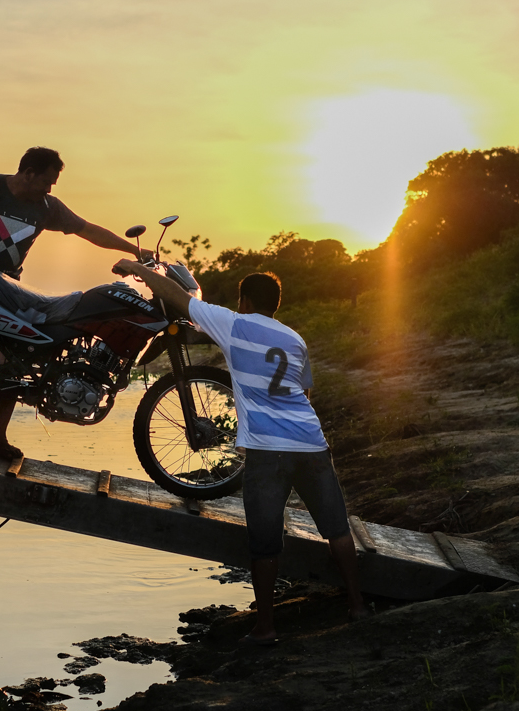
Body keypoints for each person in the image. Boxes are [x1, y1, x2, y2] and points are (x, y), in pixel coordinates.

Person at [111, 262, 367, 643]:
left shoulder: (233, 324)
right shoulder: (296, 339)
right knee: (337, 529)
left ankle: (266, 628)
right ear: (276, 304)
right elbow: (305, 393)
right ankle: (359, 606)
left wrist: (134, 267)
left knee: (264, 543)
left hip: (267, 451)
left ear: (244, 301)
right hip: (312, 442)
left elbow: (175, 295)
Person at [0, 146, 142, 460]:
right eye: (46, 181)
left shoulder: (47, 207)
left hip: (7, 293)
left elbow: (88, 230)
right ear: (28, 173)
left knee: (12, 364)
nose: (48, 189)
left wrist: (135, 252)